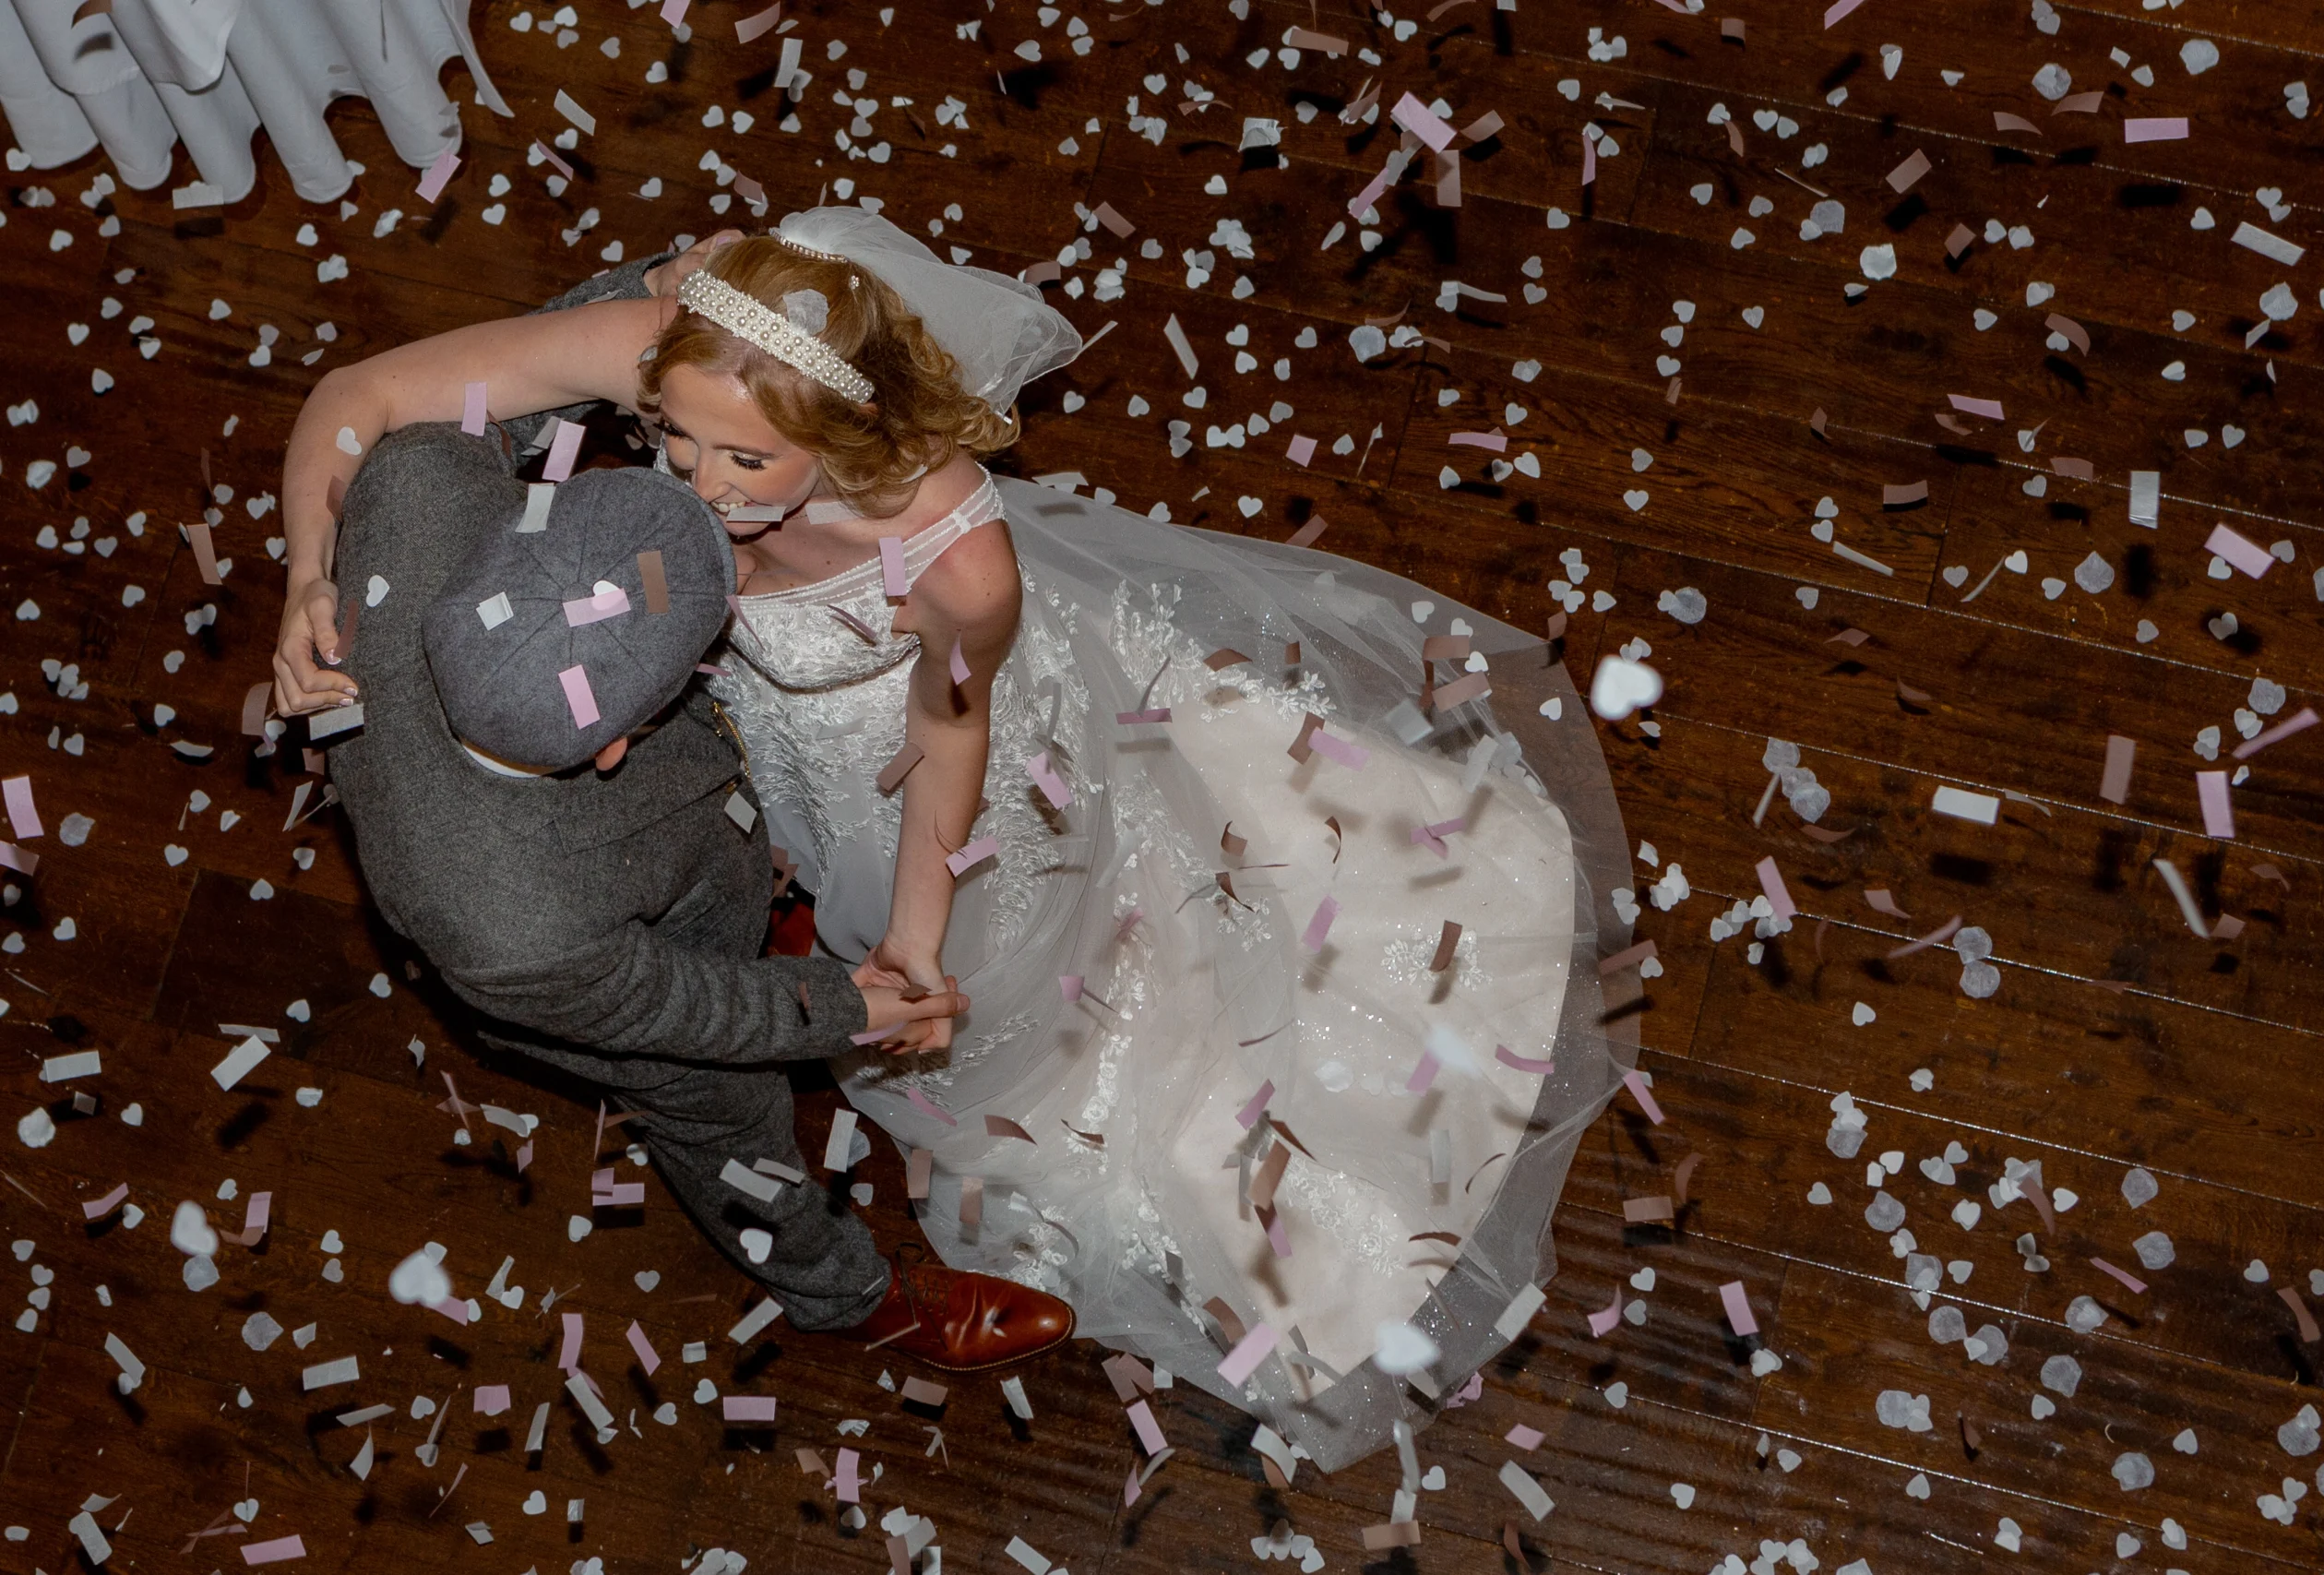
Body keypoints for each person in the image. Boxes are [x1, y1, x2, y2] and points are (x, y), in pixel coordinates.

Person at [274, 210, 1637, 1469]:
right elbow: (365, 397)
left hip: (889, 764)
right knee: (708, 1051)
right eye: (674, 439)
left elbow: (949, 741)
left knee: (1041, 940)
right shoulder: (674, 361)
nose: (695, 488)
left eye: (746, 460)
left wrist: (916, 934)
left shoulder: (953, 559)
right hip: (735, 758)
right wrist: (307, 575)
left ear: (848, 436)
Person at [315, 417, 1074, 1370]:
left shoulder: (420, 484)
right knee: (723, 1119)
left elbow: (512, 377)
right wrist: (846, 1007)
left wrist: (670, 299)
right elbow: (692, 1004)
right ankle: (841, 1293)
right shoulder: (515, 929)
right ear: (616, 745)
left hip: (666, 855)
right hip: (613, 967)